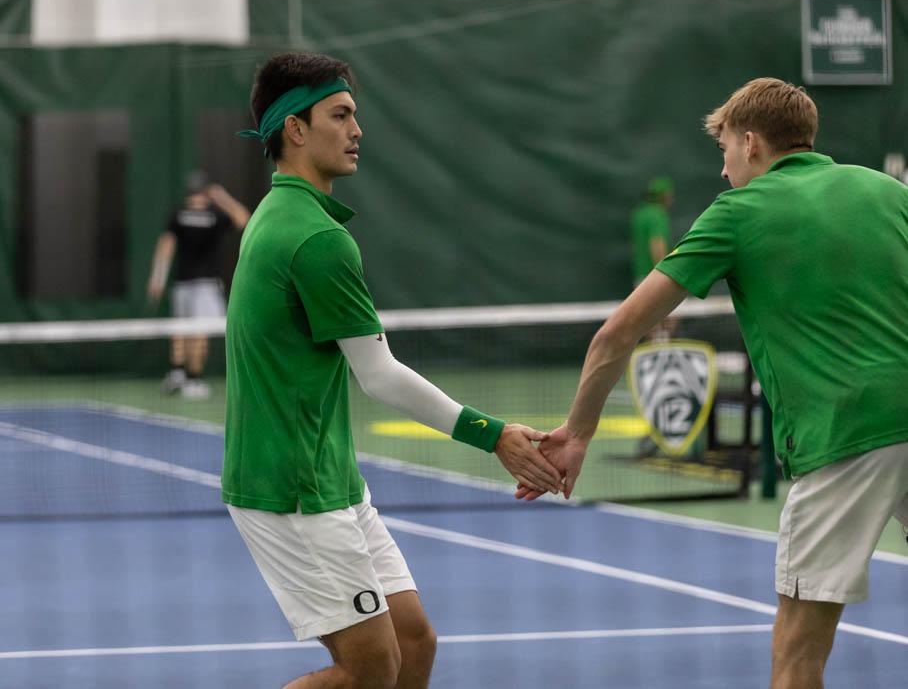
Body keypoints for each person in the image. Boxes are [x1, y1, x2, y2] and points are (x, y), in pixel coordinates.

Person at [525, 78, 908, 689]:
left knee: (798, 655)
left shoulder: (736, 213)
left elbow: (615, 336)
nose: (724, 168)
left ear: (752, 144)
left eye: (726, 149)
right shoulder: (887, 191)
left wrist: (576, 435)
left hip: (844, 438)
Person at [223, 52, 561, 689]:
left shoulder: (278, 214)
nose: (357, 129)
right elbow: (377, 375)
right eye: (341, 114)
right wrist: (496, 434)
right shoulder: (315, 239)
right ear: (295, 128)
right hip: (293, 489)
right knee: (371, 671)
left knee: (414, 643)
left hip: (329, 477)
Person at [147, 171, 249, 399]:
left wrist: (157, 279)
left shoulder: (179, 214)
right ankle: (192, 380)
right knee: (198, 333)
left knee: (181, 331)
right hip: (205, 286)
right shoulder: (213, 215)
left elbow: (165, 246)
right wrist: (222, 198)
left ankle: (177, 374)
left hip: (184, 284)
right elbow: (244, 219)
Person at [631, 175, 673, 288]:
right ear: (664, 195)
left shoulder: (640, 213)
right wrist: (663, 274)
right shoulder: (657, 214)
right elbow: (657, 242)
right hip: (654, 278)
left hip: (641, 275)